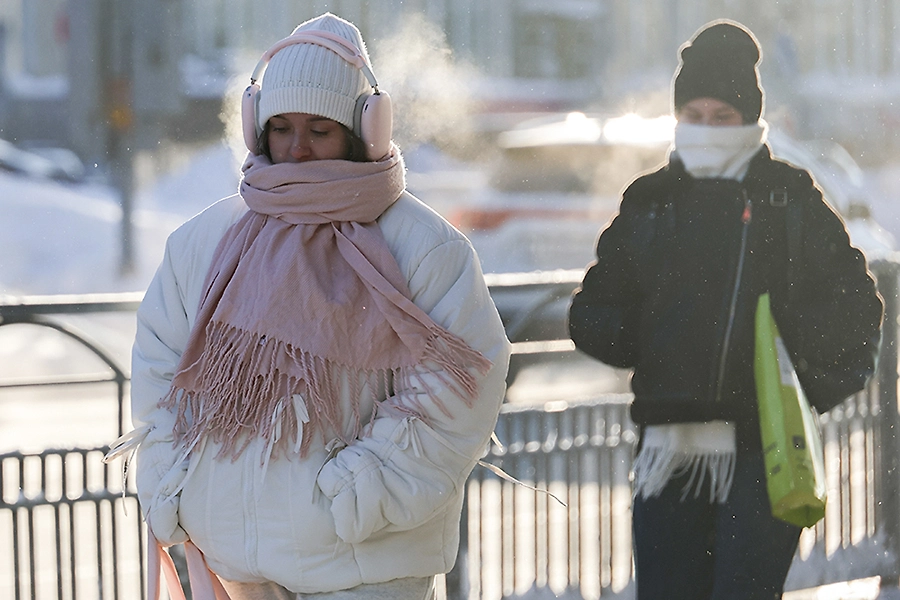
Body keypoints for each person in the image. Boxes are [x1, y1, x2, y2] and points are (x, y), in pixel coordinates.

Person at [112, 12, 511, 600]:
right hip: (236, 564)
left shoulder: (424, 248)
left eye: (319, 128)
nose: (296, 148)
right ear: (256, 129)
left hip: (366, 567)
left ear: (362, 130)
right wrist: (176, 484)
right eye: (281, 127)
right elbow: (160, 370)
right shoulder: (204, 242)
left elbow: (460, 387)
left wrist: (359, 492)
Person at [568, 19, 883, 600]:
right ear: (676, 117)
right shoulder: (651, 199)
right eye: (693, 115)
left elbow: (858, 308)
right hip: (669, 459)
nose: (706, 130)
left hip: (764, 457)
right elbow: (591, 312)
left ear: (751, 120)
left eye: (722, 118)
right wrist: (655, 335)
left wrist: (797, 379)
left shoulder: (786, 196)